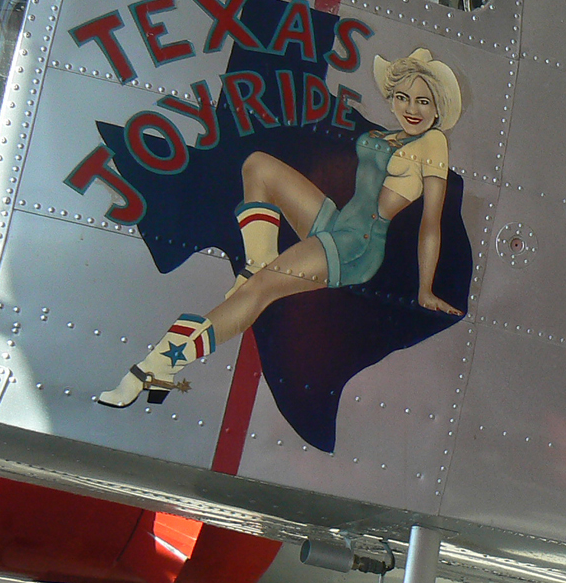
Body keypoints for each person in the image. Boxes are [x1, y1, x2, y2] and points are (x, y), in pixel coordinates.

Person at [98, 47, 465, 408]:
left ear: (438, 107)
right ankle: (258, 263)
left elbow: (431, 222)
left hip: (357, 245)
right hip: (338, 223)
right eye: (403, 97)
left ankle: (155, 366)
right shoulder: (393, 135)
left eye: (422, 102)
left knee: (258, 292)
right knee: (258, 166)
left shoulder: (433, 143)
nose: (410, 109)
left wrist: (425, 289)